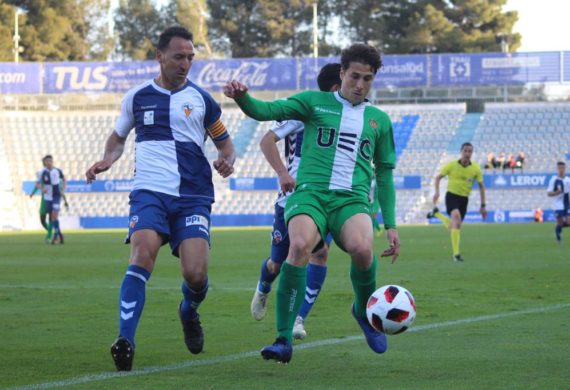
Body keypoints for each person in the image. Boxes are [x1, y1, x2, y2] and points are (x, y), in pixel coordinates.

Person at [224, 43, 401, 363]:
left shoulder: (379, 120)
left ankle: (362, 312)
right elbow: (266, 111)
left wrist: (391, 224)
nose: (360, 85)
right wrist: (242, 98)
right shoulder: (313, 102)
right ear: (342, 73)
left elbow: (385, 175)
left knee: (362, 248)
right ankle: (283, 339)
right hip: (310, 194)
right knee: (301, 245)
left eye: (368, 79)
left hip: (351, 199)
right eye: (355, 77)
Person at [85, 26, 236, 372]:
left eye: (190, 58)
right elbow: (118, 138)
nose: (186, 64)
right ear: (160, 56)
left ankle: (188, 310)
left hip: (193, 195)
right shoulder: (137, 97)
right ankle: (125, 341)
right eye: (179, 56)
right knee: (141, 253)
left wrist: (228, 159)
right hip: (149, 192)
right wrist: (108, 159)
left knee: (196, 275)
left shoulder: (202, 100)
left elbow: (225, 142)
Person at [250, 63, 342, 341]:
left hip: (328, 197)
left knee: (320, 252)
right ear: (337, 86)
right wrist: (282, 173)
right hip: (293, 197)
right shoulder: (305, 109)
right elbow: (267, 141)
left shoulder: (351, 116)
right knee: (277, 264)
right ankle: (264, 286)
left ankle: (298, 318)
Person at [427, 142, 487, 262]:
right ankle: (456, 255)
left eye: (470, 151)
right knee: (457, 218)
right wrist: (437, 192)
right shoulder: (452, 165)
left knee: (455, 225)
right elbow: (438, 177)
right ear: (461, 152)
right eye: (465, 151)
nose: (467, 153)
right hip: (452, 196)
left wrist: (483, 205)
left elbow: (481, 186)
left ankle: (437, 214)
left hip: (464, 199)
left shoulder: (475, 168)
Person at [30, 155, 69, 242]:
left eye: (50, 161)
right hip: (47, 197)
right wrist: (42, 188)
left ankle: (54, 235)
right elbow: (37, 184)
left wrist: (63, 188)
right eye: (47, 161)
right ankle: (58, 233)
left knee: (54, 215)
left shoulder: (57, 171)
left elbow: (64, 179)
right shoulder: (42, 172)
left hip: (56, 195)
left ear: (52, 161)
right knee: (50, 217)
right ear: (44, 162)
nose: (49, 163)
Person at [546, 161, 570, 243]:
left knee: (568, 222)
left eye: (562, 168)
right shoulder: (553, 180)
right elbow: (548, 193)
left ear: (565, 169)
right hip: (557, 205)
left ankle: (557, 227)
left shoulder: (568, 180)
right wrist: (557, 192)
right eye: (559, 168)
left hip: (567, 204)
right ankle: (558, 239)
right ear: (557, 169)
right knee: (560, 222)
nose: (561, 170)